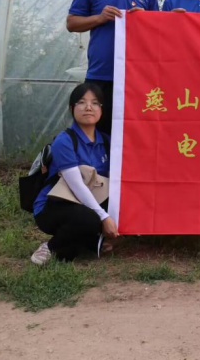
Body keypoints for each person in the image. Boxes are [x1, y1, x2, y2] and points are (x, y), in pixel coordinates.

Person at [66, 0, 159, 135]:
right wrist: (99, 18)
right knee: (94, 133)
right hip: (100, 75)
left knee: (131, 135)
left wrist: (145, 20)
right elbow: (71, 23)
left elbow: (156, 34)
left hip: (135, 76)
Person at [31, 83, 119, 265]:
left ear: (102, 109)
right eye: (82, 102)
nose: (89, 107)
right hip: (53, 205)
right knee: (89, 219)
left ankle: (86, 242)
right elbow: (76, 185)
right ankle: (50, 247)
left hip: (86, 202)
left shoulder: (108, 142)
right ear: (72, 108)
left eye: (95, 103)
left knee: (70, 253)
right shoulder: (64, 141)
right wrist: (104, 217)